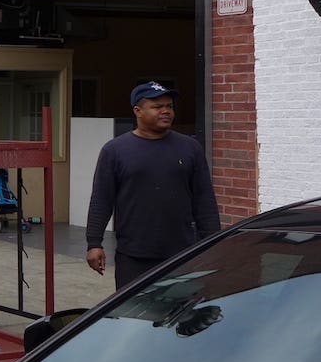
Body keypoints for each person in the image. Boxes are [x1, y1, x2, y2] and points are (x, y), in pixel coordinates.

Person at [85, 81, 220, 289]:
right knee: (133, 318)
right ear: (137, 111)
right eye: (158, 107)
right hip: (133, 256)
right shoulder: (115, 151)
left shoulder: (190, 148)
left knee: (179, 315)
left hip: (182, 254)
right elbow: (101, 200)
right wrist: (94, 243)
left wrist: (213, 243)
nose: (166, 111)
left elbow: (204, 200)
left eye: (169, 106)